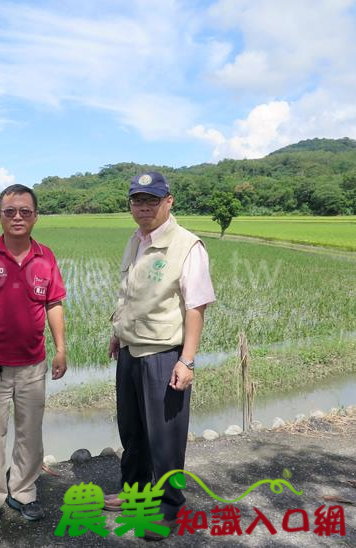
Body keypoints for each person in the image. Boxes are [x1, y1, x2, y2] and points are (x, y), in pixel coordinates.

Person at [107, 171, 215, 540]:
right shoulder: (135, 240)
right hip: (131, 349)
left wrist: (186, 361)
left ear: (169, 201)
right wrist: (116, 334)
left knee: (165, 436)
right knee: (132, 429)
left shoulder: (187, 245)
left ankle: (169, 506)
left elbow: (195, 306)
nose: (144, 207)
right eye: (138, 200)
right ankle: (134, 492)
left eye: (152, 200)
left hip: (163, 354)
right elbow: (130, 295)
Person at [0, 184, 67, 533]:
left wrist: (61, 348)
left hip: (33, 364)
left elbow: (54, 303)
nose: (17, 217)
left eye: (25, 211)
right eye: (10, 211)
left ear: (35, 216)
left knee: (30, 435)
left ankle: (23, 492)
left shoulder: (46, 256)